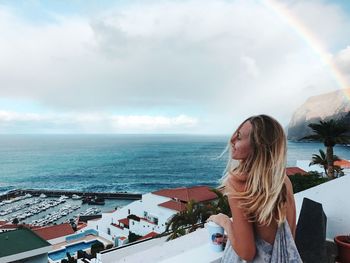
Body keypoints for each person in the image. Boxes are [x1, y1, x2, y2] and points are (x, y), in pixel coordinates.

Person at [208, 115, 302, 262]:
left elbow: (247, 253)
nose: (232, 140)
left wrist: (225, 221)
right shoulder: (282, 181)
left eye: (238, 137)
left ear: (258, 146)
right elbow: (290, 235)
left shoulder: (237, 184)